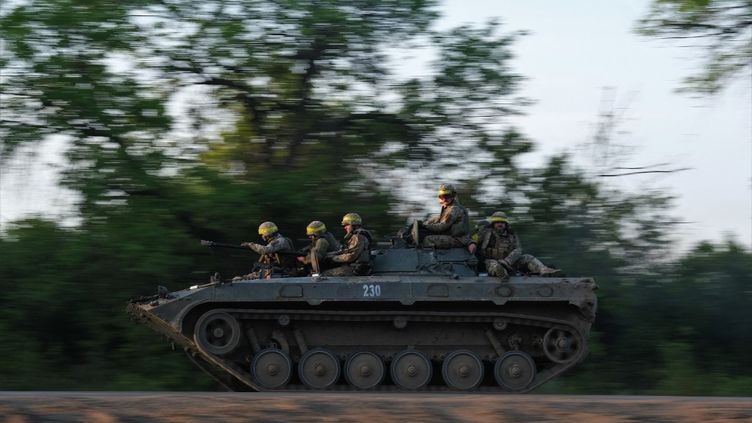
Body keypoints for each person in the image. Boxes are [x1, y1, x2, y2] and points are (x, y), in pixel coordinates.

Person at [476, 211, 560, 278]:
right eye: (497, 222)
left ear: (506, 224)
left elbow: (518, 249)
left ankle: (544, 270)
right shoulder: (485, 232)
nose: (500, 224)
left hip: (510, 262)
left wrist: (507, 261)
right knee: (493, 264)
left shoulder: (512, 235)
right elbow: (473, 241)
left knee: (528, 257)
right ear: (493, 224)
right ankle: (501, 273)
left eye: (502, 222)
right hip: (491, 260)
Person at [421, 183, 471, 248]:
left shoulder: (454, 208)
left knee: (427, 239)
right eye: (442, 196)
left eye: (447, 196)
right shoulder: (448, 208)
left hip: (458, 239)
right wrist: (424, 224)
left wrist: (425, 226)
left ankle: (432, 257)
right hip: (454, 237)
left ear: (453, 195)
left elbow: (442, 226)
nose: (444, 199)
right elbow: (437, 219)